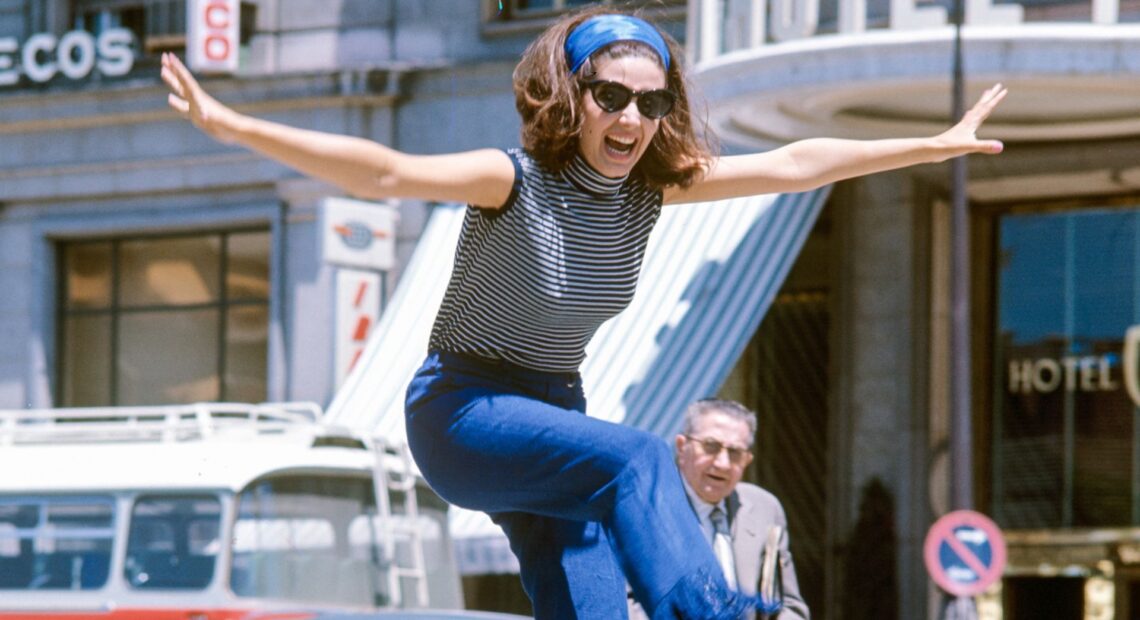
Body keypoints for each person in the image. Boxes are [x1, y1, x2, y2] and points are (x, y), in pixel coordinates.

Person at [160, 6, 1006, 618]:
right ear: (572, 97)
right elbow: (383, 171)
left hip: (555, 413)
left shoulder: (650, 193)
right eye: (612, 96)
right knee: (637, 458)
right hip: (464, 411)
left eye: (653, 103)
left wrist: (931, 145)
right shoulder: (510, 181)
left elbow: (794, 164)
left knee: (588, 598)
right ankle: (712, 612)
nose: (632, 119)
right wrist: (236, 126)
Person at [629, 399, 810, 620]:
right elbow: (625, 603)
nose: (722, 463)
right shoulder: (642, 509)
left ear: (747, 460)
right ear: (681, 447)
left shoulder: (765, 508)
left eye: (735, 452)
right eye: (711, 446)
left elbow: (789, 606)